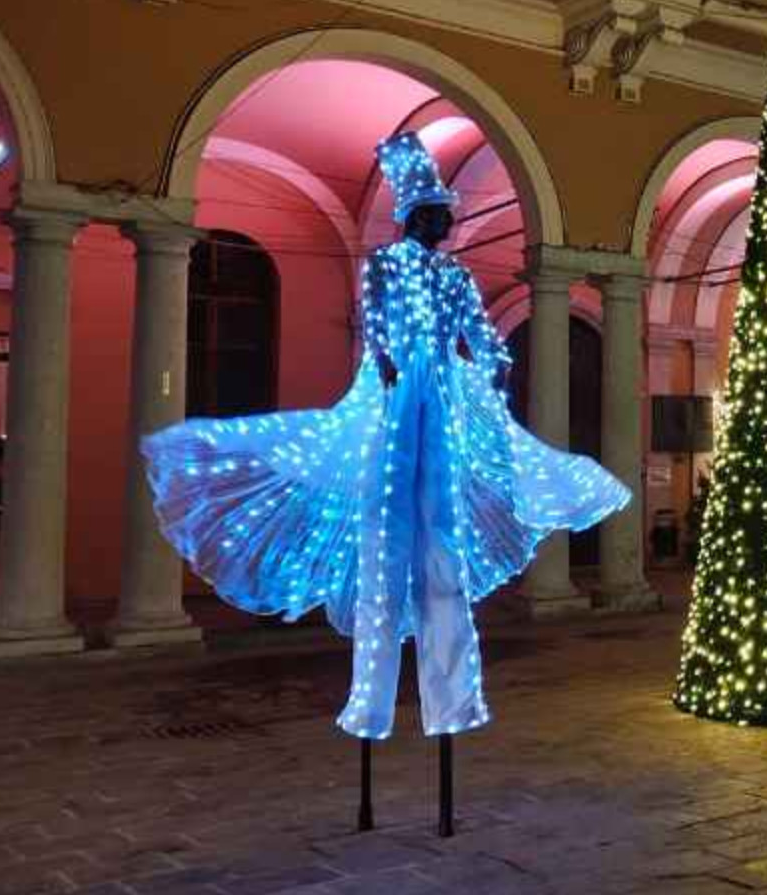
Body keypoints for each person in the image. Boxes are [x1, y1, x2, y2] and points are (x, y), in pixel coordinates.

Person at [142, 133, 630, 739]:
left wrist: (493, 360)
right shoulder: (385, 264)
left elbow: (478, 329)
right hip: (399, 395)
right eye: (433, 215)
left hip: (443, 396)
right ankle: (369, 702)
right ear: (413, 217)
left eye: (445, 217)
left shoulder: (453, 275)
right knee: (386, 537)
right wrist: (387, 359)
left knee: (442, 542)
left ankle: (454, 701)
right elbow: (373, 314)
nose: (442, 226)